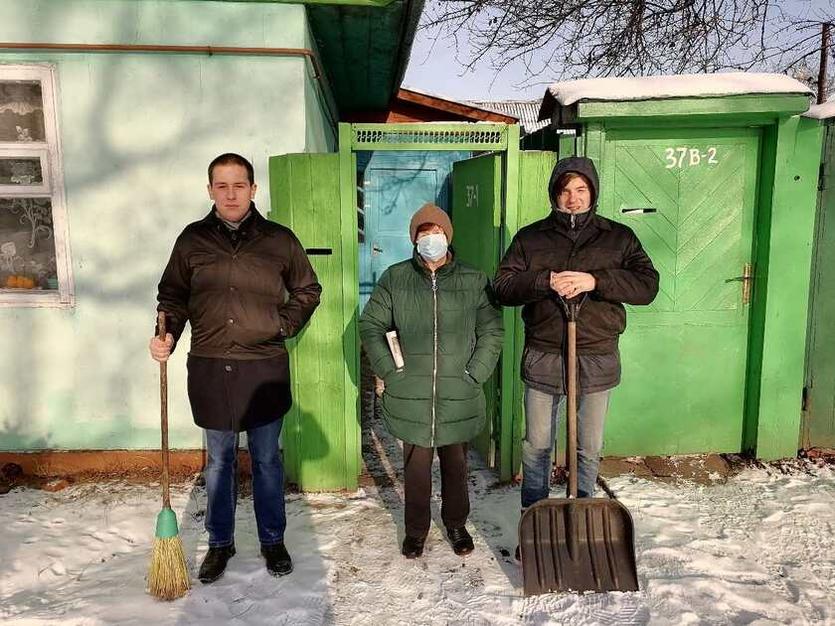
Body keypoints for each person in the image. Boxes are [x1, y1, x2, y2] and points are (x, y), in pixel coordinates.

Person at [149, 153, 321, 582]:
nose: (230, 194)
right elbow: (172, 295)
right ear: (210, 190)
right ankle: (220, 543)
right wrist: (166, 333)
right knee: (220, 462)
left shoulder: (279, 240)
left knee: (266, 460)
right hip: (211, 366)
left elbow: (308, 289)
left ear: (253, 189)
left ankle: (272, 540)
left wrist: (282, 324)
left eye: (239, 185)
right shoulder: (192, 240)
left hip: (263, 368)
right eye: (221, 186)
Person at [493, 156, 658, 545]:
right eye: (565, 190)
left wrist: (594, 280)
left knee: (589, 445)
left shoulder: (619, 238)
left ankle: (582, 518)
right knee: (536, 445)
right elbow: (502, 286)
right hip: (545, 351)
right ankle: (534, 523)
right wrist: (543, 281)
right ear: (555, 193)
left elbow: (647, 286)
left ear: (593, 192)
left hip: (597, 352)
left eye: (581, 190)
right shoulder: (530, 239)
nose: (572, 198)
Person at [359, 203, 503, 559]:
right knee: (416, 467)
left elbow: (492, 331)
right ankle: (416, 530)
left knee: (456, 463)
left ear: (448, 237)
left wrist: (476, 372)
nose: (430, 240)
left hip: (458, 389)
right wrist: (390, 371)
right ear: (414, 240)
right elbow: (371, 326)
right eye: (424, 234)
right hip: (412, 392)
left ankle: (456, 524)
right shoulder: (395, 278)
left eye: (436, 233)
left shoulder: (473, 279)